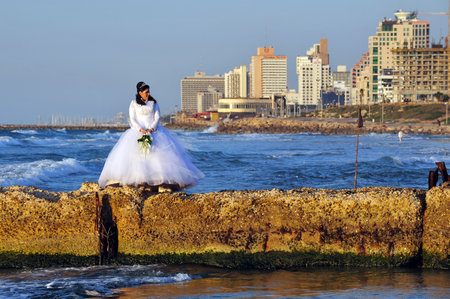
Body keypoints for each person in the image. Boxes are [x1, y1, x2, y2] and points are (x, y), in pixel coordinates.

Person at [98, 81, 203, 192]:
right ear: (140, 92)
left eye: (148, 92)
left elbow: (157, 117)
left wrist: (152, 128)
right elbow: (132, 119)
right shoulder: (133, 103)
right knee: (139, 156)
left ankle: (158, 181)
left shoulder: (153, 102)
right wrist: (140, 129)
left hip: (154, 131)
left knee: (156, 156)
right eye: (146, 92)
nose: (148, 94)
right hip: (138, 131)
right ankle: (141, 182)